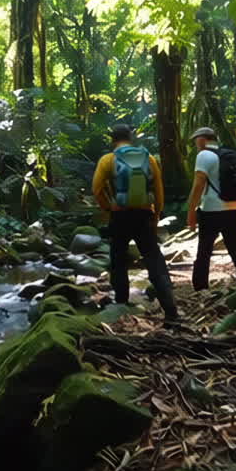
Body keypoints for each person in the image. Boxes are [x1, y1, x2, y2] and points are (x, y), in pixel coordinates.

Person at [91, 124, 181, 323]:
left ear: (112, 140)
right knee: (154, 259)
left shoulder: (108, 160)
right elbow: (159, 191)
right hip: (144, 215)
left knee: (118, 258)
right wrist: (156, 215)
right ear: (130, 138)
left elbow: (96, 189)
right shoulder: (148, 158)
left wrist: (108, 207)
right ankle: (171, 309)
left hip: (120, 216)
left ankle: (121, 303)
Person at [186, 127, 236, 291]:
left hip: (211, 210)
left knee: (204, 250)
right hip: (232, 208)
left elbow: (198, 185)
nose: (196, 144)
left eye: (196, 140)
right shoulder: (228, 155)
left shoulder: (204, 155)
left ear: (202, 140)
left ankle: (200, 286)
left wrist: (191, 211)